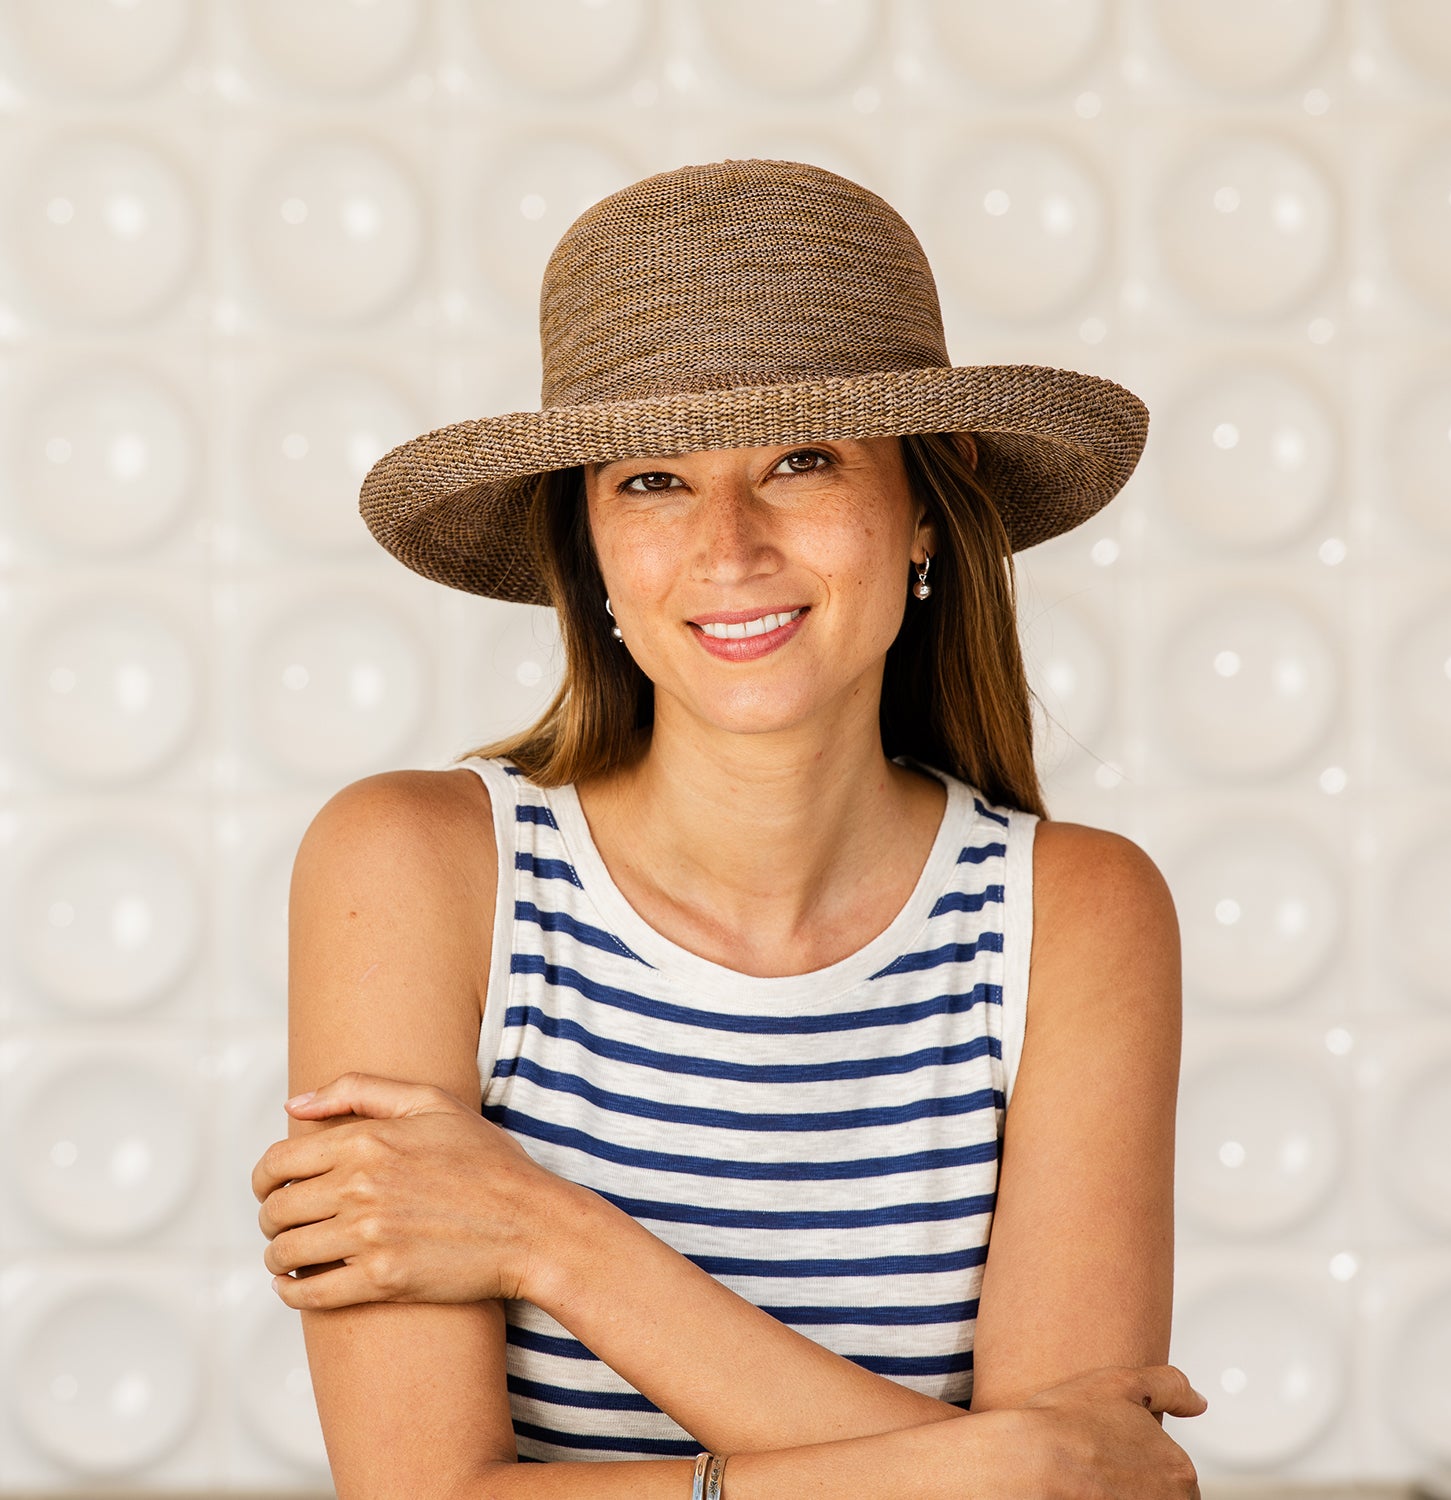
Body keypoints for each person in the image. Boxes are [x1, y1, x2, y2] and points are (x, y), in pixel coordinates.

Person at [250, 158, 1207, 1500]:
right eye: (652, 481)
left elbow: (1062, 1495)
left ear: (926, 501)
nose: (730, 546)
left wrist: (546, 1237)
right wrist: (972, 1467)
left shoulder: (1079, 916)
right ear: (587, 544)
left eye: (804, 461)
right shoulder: (416, 868)